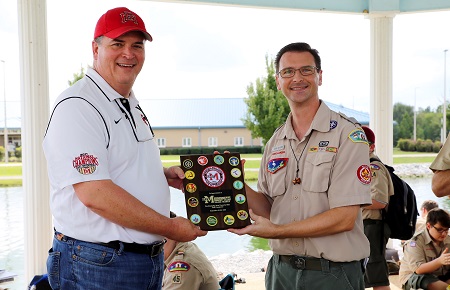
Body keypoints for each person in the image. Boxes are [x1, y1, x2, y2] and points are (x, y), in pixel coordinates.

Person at [42, 7, 206, 290]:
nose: (129, 54)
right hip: (98, 264)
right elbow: (95, 194)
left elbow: (118, 164)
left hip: (137, 261)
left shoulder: (127, 101)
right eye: (117, 44)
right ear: (96, 49)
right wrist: (171, 228)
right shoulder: (79, 105)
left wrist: (161, 175)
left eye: (137, 45)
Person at [228, 42, 372, 290]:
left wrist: (277, 231)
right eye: (288, 72)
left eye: (306, 70)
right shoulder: (276, 141)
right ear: (277, 80)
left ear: (319, 76)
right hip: (281, 273)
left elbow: (344, 218)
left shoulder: (348, 135)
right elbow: (268, 208)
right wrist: (235, 184)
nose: (297, 78)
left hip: (332, 275)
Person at [361, 126, 394, 290]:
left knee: (376, 275)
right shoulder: (362, 167)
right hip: (363, 226)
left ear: (371, 146)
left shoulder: (374, 167)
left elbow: (380, 201)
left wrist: (351, 203)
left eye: (361, 143)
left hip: (372, 226)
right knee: (362, 273)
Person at [162, 212, 220, 290]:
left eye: (160, 240)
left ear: (174, 234)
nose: (153, 246)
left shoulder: (181, 265)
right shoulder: (185, 248)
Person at [399, 208, 450, 290]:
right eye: (440, 230)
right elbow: (418, 270)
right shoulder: (415, 242)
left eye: (446, 230)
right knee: (428, 282)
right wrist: (440, 261)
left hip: (440, 276)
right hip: (416, 277)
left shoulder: (448, 239)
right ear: (429, 226)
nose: (444, 234)